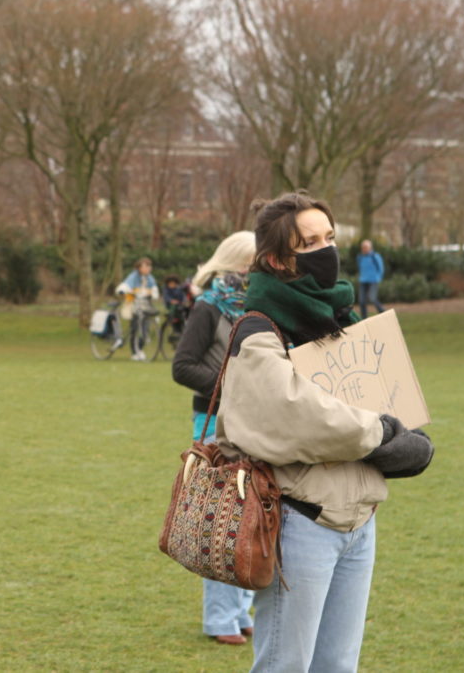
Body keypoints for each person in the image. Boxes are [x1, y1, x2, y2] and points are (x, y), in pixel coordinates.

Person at [215, 191, 434, 672]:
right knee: (285, 665)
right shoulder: (258, 329)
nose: (326, 250)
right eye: (309, 242)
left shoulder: (342, 321)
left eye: (329, 237)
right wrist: (384, 434)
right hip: (299, 523)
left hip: (359, 521)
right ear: (276, 259)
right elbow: (302, 415)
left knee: (338, 665)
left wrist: (405, 435)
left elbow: (385, 396)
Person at [171, 231, 257, 646]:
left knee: (252, 517)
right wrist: (230, 388)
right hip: (214, 425)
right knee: (220, 523)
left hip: (256, 424)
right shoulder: (208, 307)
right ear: (236, 264)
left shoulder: (259, 309)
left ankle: (240, 611)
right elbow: (183, 366)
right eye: (253, 263)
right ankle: (220, 618)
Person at [115, 257, 160, 360]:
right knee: (135, 327)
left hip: (145, 306)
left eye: (149, 266)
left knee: (145, 328)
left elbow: (154, 290)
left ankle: (139, 348)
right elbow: (125, 286)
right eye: (145, 266)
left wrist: (152, 293)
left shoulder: (150, 278)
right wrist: (123, 290)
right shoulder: (133, 276)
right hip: (134, 305)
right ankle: (134, 352)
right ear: (139, 267)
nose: (148, 268)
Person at [356, 239, 385, 318]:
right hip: (363, 281)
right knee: (362, 301)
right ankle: (364, 318)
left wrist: (378, 278)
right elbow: (360, 267)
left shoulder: (375, 256)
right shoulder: (360, 257)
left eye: (366, 247)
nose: (364, 249)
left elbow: (381, 268)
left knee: (372, 298)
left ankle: (382, 312)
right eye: (363, 247)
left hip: (373, 280)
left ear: (370, 248)